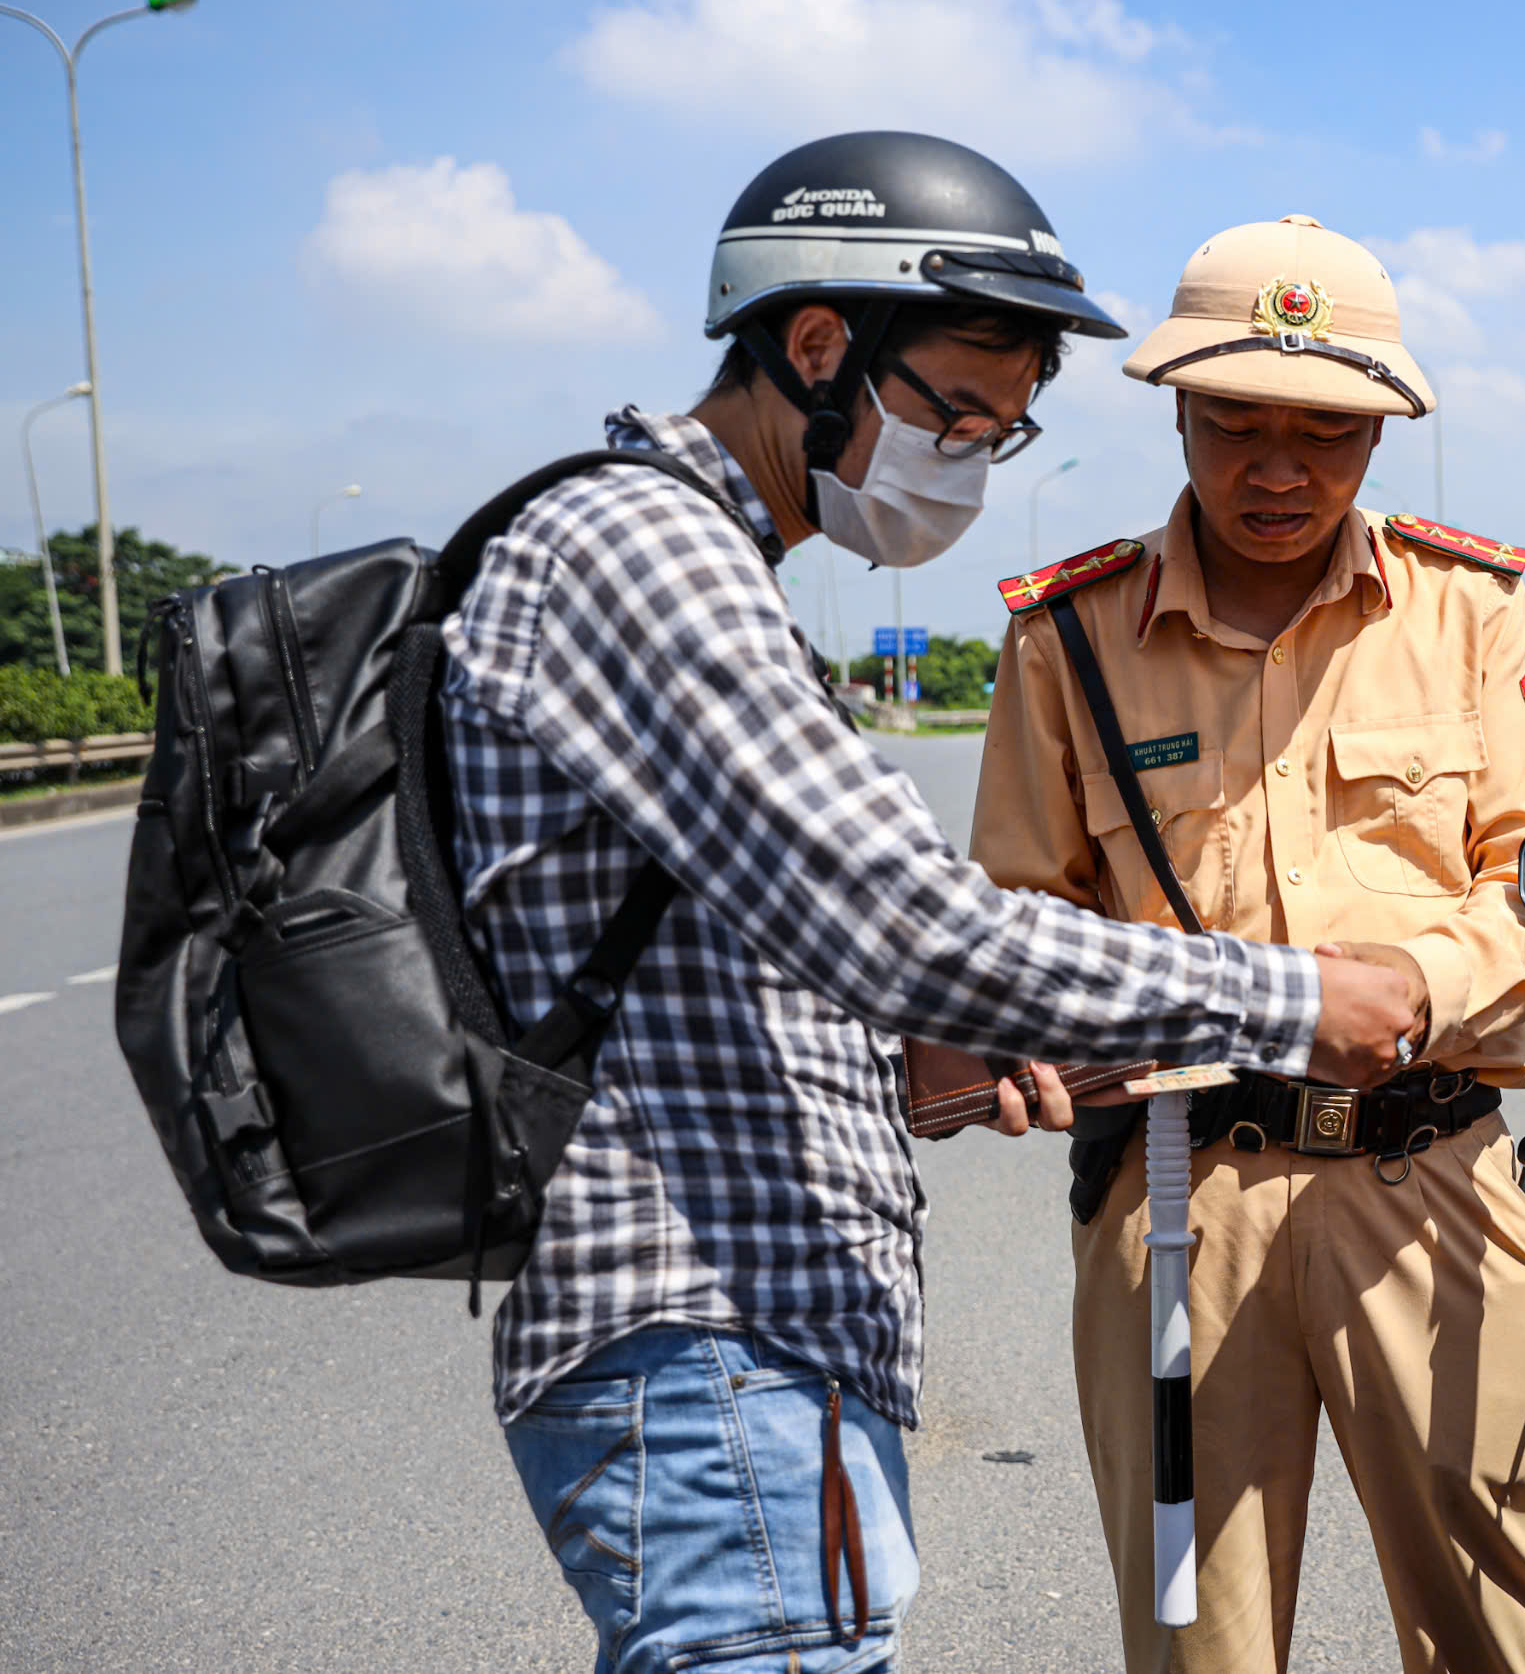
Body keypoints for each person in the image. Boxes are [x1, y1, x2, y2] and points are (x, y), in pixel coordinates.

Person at [441, 138, 1418, 1674]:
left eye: (1002, 432)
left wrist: (919, 1061)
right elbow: (911, 923)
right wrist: (1295, 999)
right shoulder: (645, 549)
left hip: (762, 1335)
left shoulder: (715, 562)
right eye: (957, 410)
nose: (968, 458)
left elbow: (770, 953)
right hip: (709, 1325)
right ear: (819, 346)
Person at [910, 213, 1525, 1674]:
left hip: (1432, 1177)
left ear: (1377, 433)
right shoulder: (1071, 637)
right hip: (1178, 1201)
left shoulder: (1473, 613)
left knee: (1492, 1628)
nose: (1277, 469)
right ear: (1175, 406)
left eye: (1324, 431)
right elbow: (1020, 915)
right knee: (1190, 1635)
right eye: (1234, 423)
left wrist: (1423, 985)